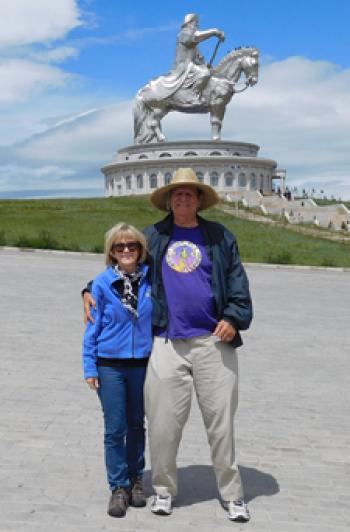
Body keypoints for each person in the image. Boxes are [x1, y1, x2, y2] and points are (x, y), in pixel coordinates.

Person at [84, 168, 253, 522]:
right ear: (169, 200)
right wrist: (88, 288)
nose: (183, 198)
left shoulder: (220, 237)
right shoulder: (155, 237)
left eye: (189, 193)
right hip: (165, 343)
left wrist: (234, 318)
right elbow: (123, 267)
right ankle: (163, 490)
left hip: (212, 342)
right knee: (162, 424)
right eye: (177, 194)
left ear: (199, 199)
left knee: (221, 423)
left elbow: (237, 282)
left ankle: (232, 493)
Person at [82, 223, 152, 518]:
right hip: (109, 363)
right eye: (119, 247)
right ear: (111, 251)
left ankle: (137, 478)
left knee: (137, 423)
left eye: (132, 246)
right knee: (115, 428)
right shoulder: (101, 284)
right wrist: (89, 366)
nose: (126, 251)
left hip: (143, 364)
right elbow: (91, 328)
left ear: (141, 250)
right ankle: (118, 486)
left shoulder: (153, 280)